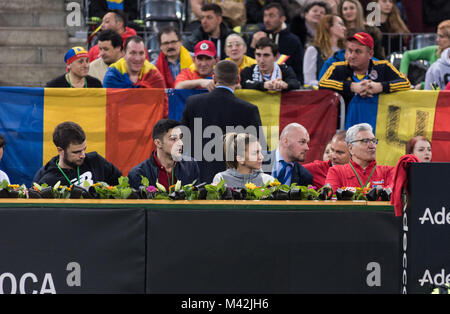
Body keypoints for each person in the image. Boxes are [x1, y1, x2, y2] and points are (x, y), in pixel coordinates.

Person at [180, 60, 264, 184]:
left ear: (213, 78)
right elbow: (260, 149)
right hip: (235, 185)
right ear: (238, 79)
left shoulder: (193, 103)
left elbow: (180, 141)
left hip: (198, 180)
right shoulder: (249, 110)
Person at [319, 32, 410, 128]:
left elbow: (406, 83)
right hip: (344, 129)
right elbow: (322, 83)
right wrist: (352, 86)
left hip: (379, 128)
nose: (352, 56)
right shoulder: (337, 68)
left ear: (370, 54)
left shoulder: (383, 67)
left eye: (358, 52)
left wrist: (380, 87)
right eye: (350, 51)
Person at [33, 121, 122, 187]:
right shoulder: (46, 179)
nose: (83, 155)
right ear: (60, 150)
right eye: (76, 152)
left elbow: (123, 186)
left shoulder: (96, 161)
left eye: (84, 149)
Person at [128, 119, 200, 191]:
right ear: (158, 143)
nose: (181, 143)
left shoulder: (191, 166)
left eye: (180, 138)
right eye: (173, 139)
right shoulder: (138, 174)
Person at [324, 123, 394, 192]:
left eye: (373, 141)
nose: (372, 145)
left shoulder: (388, 172)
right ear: (350, 148)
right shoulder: (336, 172)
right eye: (365, 141)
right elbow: (331, 198)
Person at [248, 3, 304, 82]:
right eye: (265, 15)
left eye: (271, 16)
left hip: (285, 87)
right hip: (258, 85)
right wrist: (253, 46)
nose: (266, 20)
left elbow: (299, 70)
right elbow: (248, 66)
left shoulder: (293, 41)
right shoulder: (256, 37)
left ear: (282, 19)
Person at [399, 20, 450, 89]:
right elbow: (407, 55)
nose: (437, 40)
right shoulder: (433, 50)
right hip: (435, 96)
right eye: (437, 35)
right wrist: (403, 76)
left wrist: (423, 85)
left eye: (441, 36)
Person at [303, 14, 346, 87]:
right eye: (340, 24)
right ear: (328, 26)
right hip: (322, 94)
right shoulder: (313, 50)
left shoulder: (344, 51)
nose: (344, 28)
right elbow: (308, 81)